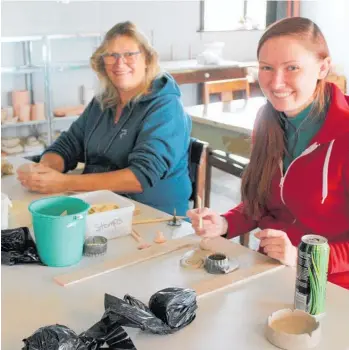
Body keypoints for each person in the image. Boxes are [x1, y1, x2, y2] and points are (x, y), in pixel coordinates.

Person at [187, 17, 349, 290]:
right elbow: (261, 203)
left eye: (292, 68)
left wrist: (304, 258)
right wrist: (225, 223)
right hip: (270, 273)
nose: (276, 82)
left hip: (331, 288)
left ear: (323, 67)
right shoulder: (267, 119)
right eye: (266, 68)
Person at [18, 21, 192, 216]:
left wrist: (64, 183)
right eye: (111, 55)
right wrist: (45, 170)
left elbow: (140, 177)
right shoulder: (103, 101)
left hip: (155, 216)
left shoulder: (165, 107)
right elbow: (68, 144)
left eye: (129, 54)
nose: (119, 63)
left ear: (147, 59)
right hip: (101, 207)